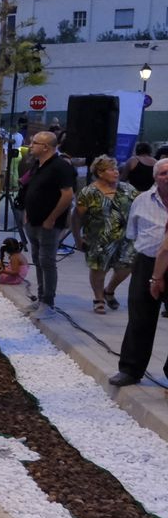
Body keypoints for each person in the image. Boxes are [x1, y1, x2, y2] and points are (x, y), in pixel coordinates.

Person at [112, 159, 168, 387]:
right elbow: (132, 234)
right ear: (155, 177)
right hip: (147, 262)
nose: (167, 177)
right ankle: (130, 369)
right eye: (164, 173)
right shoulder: (142, 201)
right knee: (140, 317)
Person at [18, 131, 76, 318]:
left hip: (49, 224)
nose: (30, 145)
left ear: (46, 147)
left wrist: (52, 218)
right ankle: (41, 297)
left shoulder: (60, 167)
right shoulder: (37, 165)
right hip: (33, 222)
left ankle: (48, 302)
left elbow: (67, 194)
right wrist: (27, 213)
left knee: (47, 261)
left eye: (34, 142)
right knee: (38, 260)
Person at [72, 156, 136, 314]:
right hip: (98, 239)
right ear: (100, 172)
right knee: (99, 269)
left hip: (126, 238)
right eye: (111, 169)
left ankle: (109, 290)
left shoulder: (128, 189)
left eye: (116, 168)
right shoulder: (89, 192)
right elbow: (77, 216)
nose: (116, 172)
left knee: (127, 267)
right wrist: (77, 238)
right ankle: (99, 298)